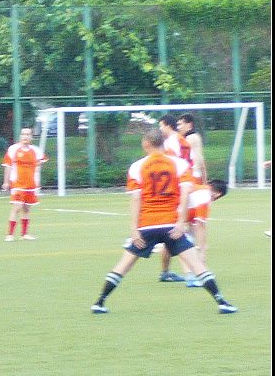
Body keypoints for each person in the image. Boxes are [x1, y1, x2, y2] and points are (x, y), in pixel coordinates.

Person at [90, 129, 236, 315]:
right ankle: (221, 302)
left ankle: (100, 302)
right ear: (163, 143)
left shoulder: (137, 167)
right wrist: (181, 221)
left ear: (146, 144)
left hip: (147, 224)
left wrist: (134, 229)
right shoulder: (179, 164)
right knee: (196, 264)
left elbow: (136, 199)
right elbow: (185, 192)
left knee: (124, 264)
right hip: (171, 225)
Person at [157, 113, 194, 282]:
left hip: (176, 189)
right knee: (175, 230)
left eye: (161, 126)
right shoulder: (182, 141)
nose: (160, 129)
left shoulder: (170, 142)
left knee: (177, 230)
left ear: (167, 125)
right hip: (185, 185)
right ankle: (169, 272)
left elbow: (171, 166)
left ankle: (190, 273)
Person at [1, 126, 49, 241]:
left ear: (31, 137)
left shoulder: (36, 151)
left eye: (27, 134)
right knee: (16, 207)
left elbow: (40, 163)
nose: (25, 136)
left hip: (31, 185)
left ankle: (24, 234)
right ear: (20, 136)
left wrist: (36, 179)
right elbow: (8, 166)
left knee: (26, 209)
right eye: (23, 134)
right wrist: (6, 182)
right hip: (17, 184)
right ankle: (10, 234)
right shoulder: (13, 149)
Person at [182, 179, 228, 286]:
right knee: (184, 244)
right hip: (170, 214)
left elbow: (193, 223)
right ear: (218, 194)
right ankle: (193, 276)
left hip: (170, 213)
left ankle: (191, 274)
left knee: (185, 241)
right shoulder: (205, 196)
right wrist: (201, 248)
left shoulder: (200, 191)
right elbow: (200, 224)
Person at [177, 113, 207, 184]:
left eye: (180, 124)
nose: (178, 128)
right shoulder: (194, 137)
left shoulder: (191, 138)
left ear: (189, 125)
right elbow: (201, 160)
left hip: (191, 176)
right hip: (193, 175)